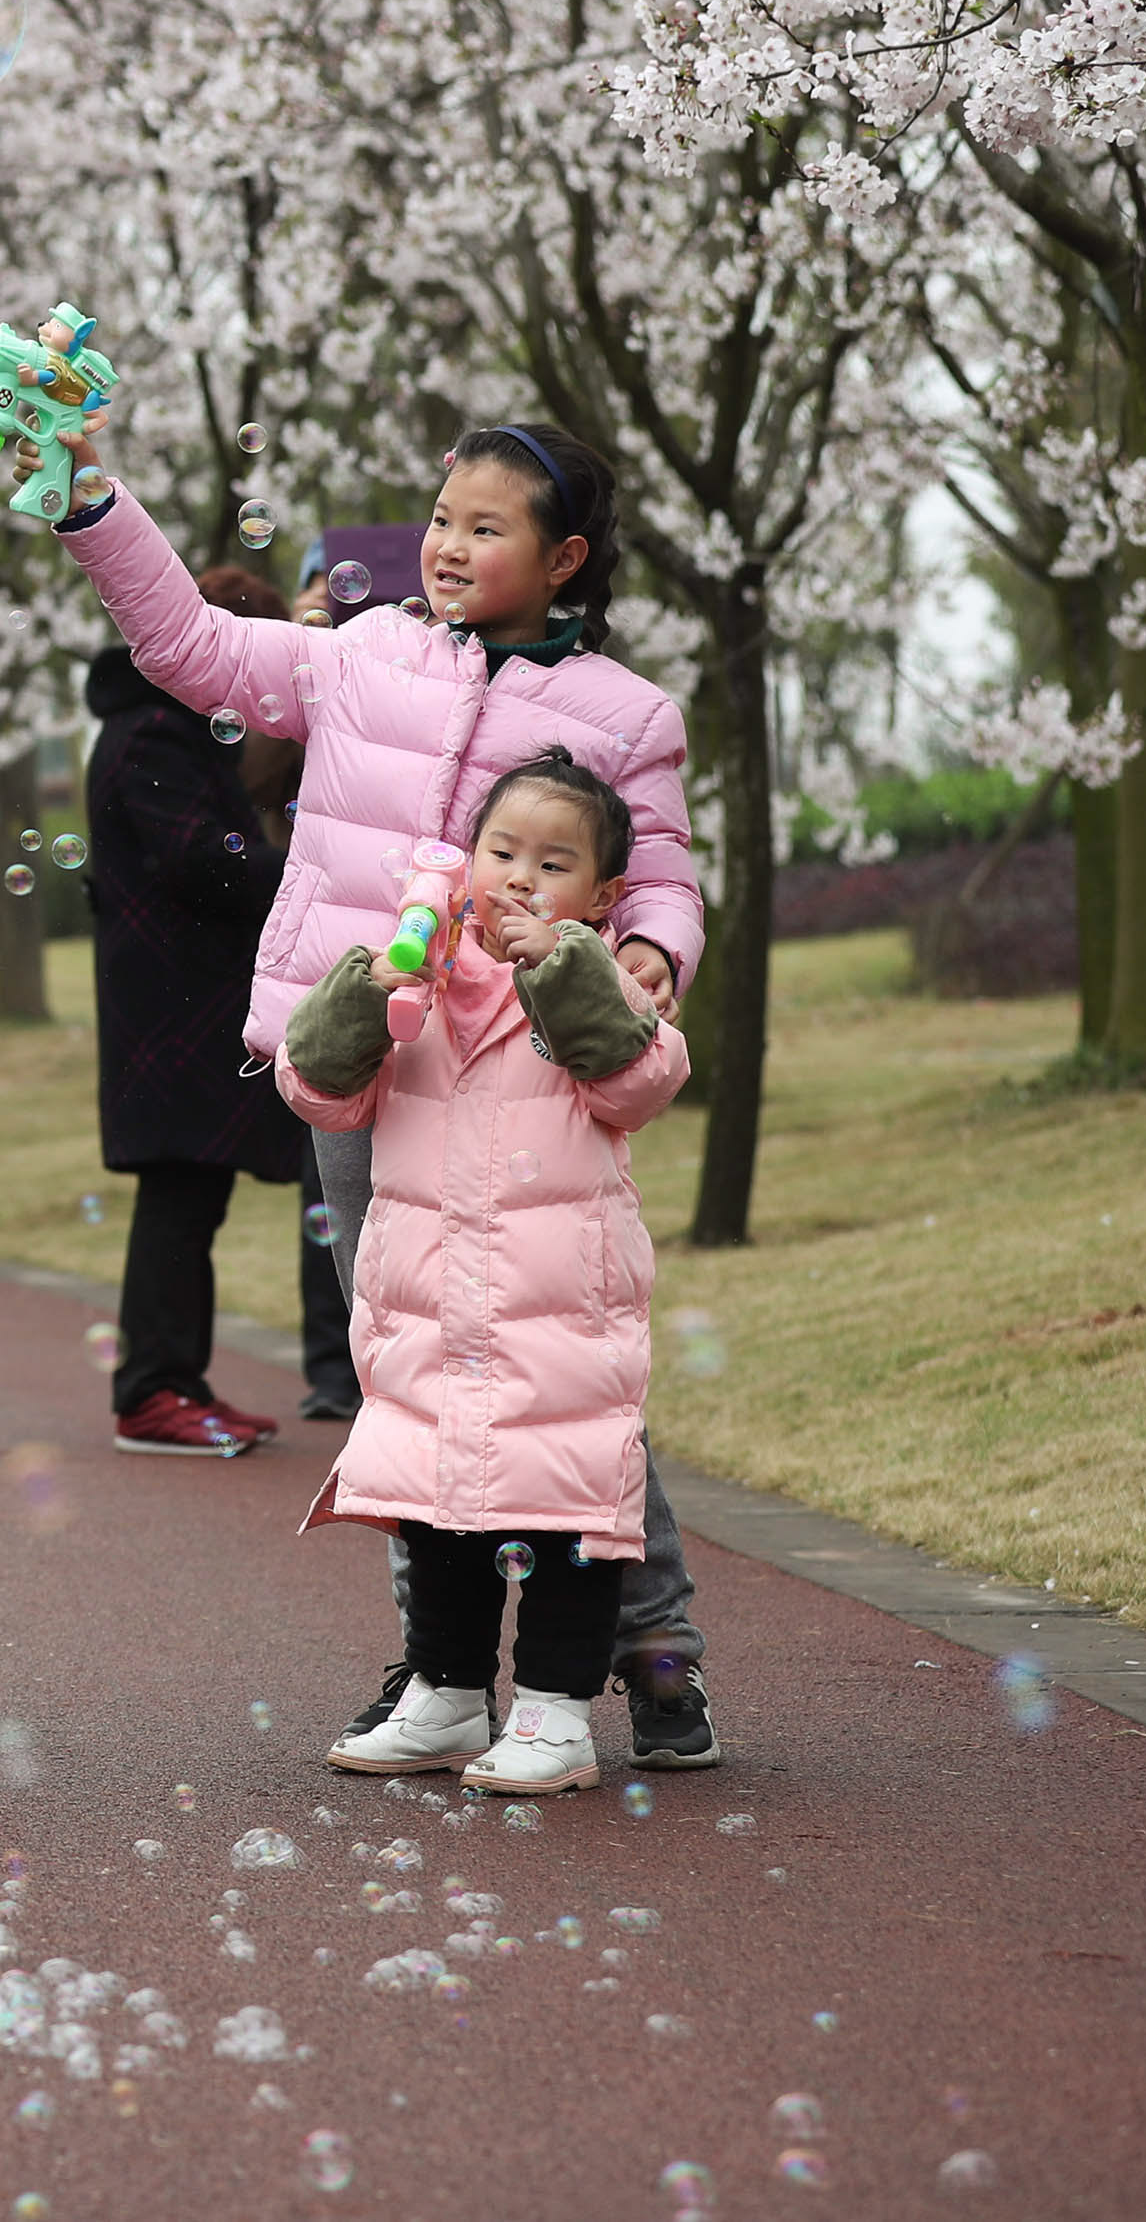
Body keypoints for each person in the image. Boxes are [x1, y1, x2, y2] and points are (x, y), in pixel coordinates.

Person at [41, 416, 723, 1770]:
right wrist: (95, 502)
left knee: (556, 1355)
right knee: (404, 1364)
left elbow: (663, 879)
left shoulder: (628, 715)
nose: (449, 544)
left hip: (529, 1081)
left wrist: (649, 951)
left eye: (488, 524)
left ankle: (653, 1642)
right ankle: (443, 1662)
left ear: (565, 555)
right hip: (371, 1066)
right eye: (440, 515)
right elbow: (191, 646)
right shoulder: (362, 658)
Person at [286, 750, 689, 1795]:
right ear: (462, 863)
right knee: (437, 1508)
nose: (517, 878)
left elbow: (642, 1079)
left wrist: (557, 967)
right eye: (500, 852)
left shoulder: (593, 987)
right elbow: (316, 1091)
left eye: (552, 864)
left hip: (555, 1312)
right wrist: (363, 995)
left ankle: (557, 1714)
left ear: (600, 898)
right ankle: (446, 1695)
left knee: (558, 1512)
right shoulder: (415, 981)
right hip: (427, 1304)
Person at [84, 567, 303, 1457]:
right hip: (167, 1014)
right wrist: (309, 867)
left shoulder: (168, 729)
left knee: (194, 1196)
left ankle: (183, 1378)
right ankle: (151, 1391)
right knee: (178, 1198)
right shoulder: (154, 736)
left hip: (179, 1006)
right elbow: (202, 860)